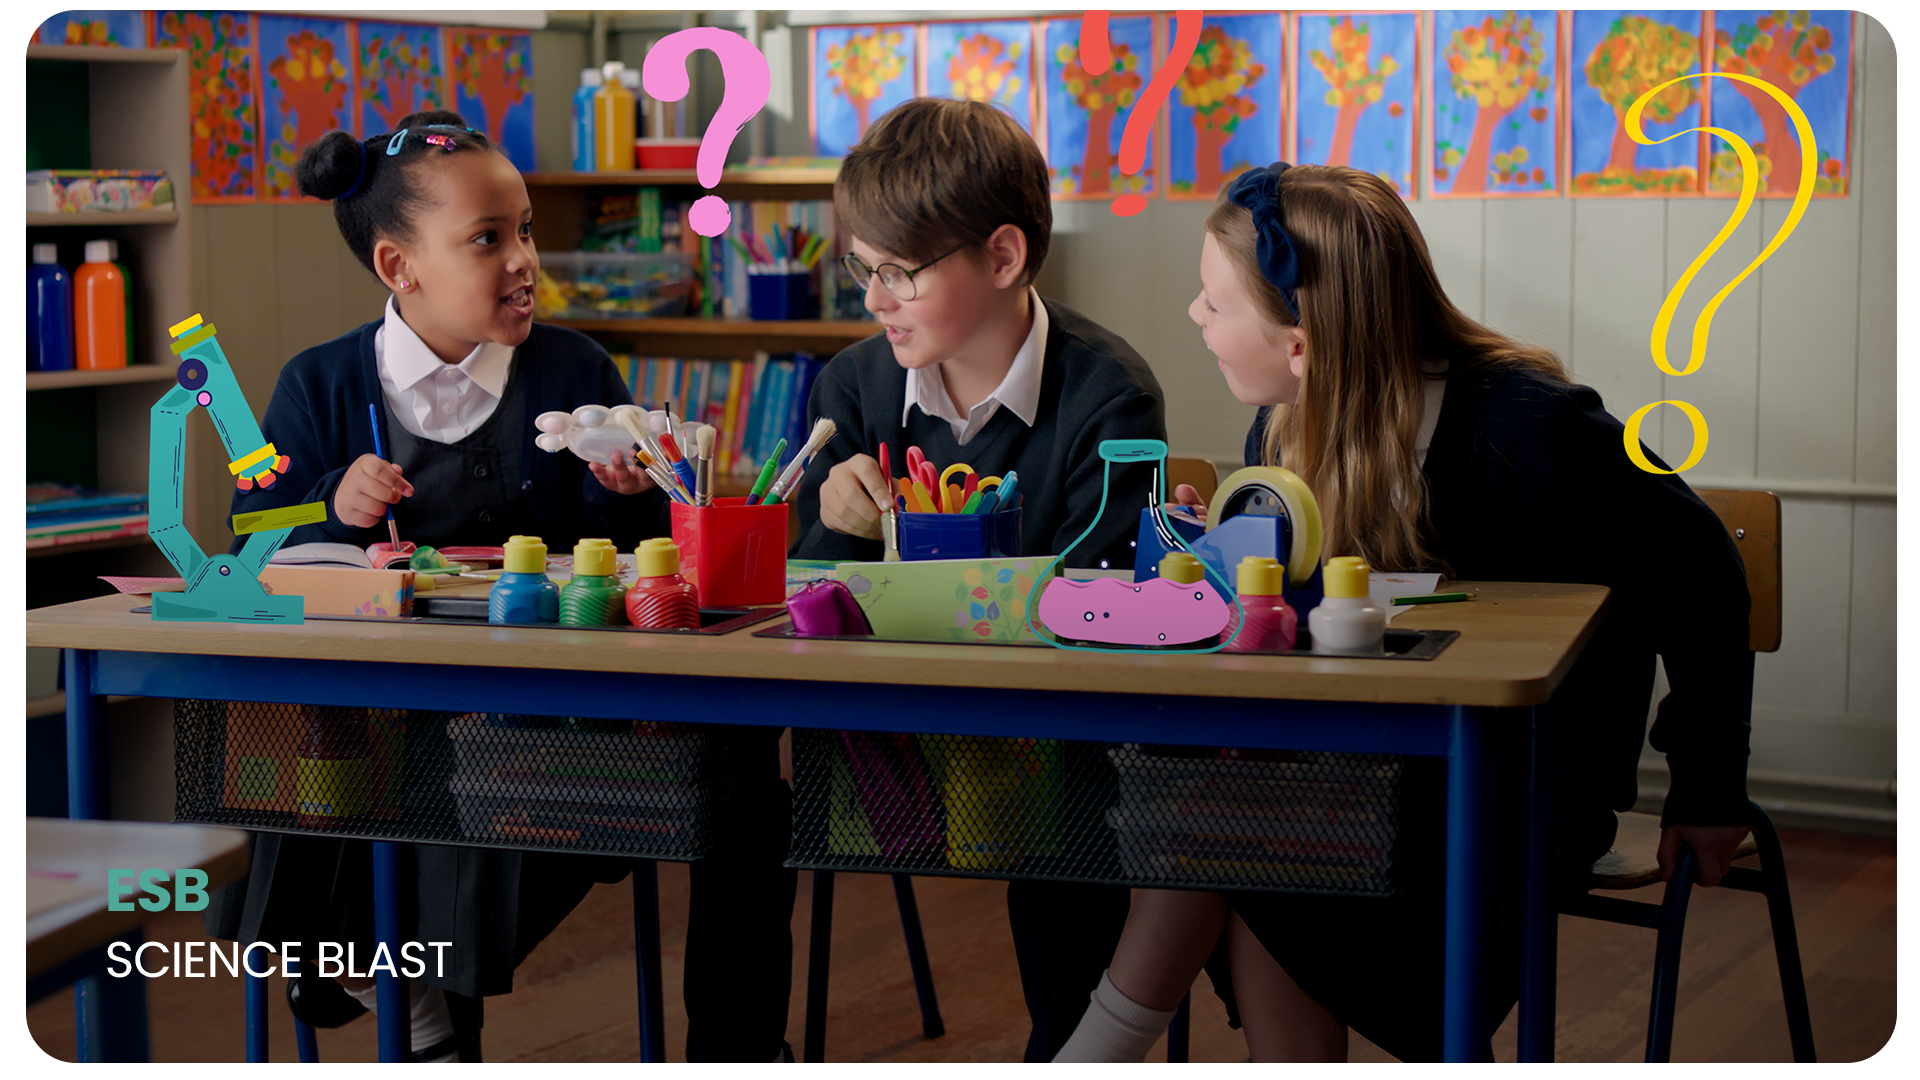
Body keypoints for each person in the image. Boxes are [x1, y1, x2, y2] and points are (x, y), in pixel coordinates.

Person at [1052, 162, 1755, 1063]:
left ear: (1301, 338)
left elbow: (1703, 570)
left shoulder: (1533, 430)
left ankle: (1094, 1051)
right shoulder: (1283, 426)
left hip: (1511, 791)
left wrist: (1707, 782)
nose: (1195, 317)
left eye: (1214, 302)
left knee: (1230, 838)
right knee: (1232, 836)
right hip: (1356, 770)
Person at [204, 109, 795, 1062]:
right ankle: (389, 985)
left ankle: (424, 994)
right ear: (400, 268)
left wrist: (627, 499)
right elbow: (250, 538)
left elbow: (649, 567)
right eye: (488, 238)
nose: (524, 257)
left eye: (524, 229)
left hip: (546, 719)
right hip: (375, 713)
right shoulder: (316, 387)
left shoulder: (572, 370)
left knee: (628, 779)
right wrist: (331, 503)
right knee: (302, 796)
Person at [788, 97, 1167, 1061]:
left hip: (1051, 731)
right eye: (859, 269)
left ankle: (1070, 1047)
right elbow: (808, 594)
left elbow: (1111, 597)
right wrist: (830, 525)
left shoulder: (1109, 396)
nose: (872, 299)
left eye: (898, 274)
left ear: (1002, 259)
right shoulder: (854, 389)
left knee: (1076, 820)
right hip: (890, 730)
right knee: (742, 795)